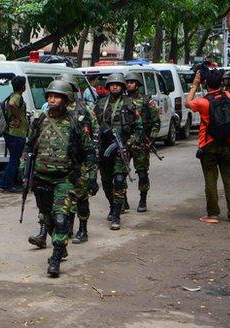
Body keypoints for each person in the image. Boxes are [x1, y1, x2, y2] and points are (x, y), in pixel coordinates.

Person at [21, 80, 96, 277]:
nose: (53, 99)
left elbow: (88, 151)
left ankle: (55, 258)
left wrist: (91, 177)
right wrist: (23, 170)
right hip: (41, 179)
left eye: (57, 96)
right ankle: (60, 245)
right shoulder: (38, 119)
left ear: (66, 99)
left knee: (62, 219)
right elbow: (29, 146)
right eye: (50, 96)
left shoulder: (76, 121)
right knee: (48, 219)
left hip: (65, 179)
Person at [32, 73, 100, 246]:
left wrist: (92, 170)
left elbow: (94, 137)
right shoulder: (46, 113)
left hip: (78, 163)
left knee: (81, 196)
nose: (55, 97)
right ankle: (52, 232)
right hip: (53, 165)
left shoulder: (84, 111)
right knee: (48, 201)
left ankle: (82, 227)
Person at [186, 69, 230, 224]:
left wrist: (195, 84)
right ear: (221, 82)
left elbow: (187, 102)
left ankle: (213, 214)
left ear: (205, 83)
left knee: (211, 180)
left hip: (209, 144)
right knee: (229, 180)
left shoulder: (203, 102)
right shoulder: (227, 96)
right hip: (229, 143)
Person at [92, 73, 143, 231]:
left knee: (119, 180)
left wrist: (128, 144)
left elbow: (139, 128)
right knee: (106, 183)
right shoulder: (100, 104)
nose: (115, 87)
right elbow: (92, 124)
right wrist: (100, 132)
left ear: (122, 87)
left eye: (118, 85)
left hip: (121, 149)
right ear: (108, 87)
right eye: (112, 84)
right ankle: (112, 205)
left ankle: (116, 214)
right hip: (104, 149)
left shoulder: (129, 104)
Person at [124, 71, 160, 213]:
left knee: (142, 172)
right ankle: (123, 200)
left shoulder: (147, 101)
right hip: (125, 141)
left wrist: (151, 139)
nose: (129, 85)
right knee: (120, 173)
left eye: (132, 82)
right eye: (127, 82)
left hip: (141, 141)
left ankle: (143, 199)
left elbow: (156, 122)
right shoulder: (122, 100)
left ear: (138, 84)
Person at [0, 76, 28, 193]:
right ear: (23, 87)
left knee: (14, 159)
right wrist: (17, 117)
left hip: (12, 133)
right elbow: (12, 104)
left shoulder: (13, 95)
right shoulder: (16, 96)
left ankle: (6, 183)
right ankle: (6, 185)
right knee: (14, 160)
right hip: (16, 133)